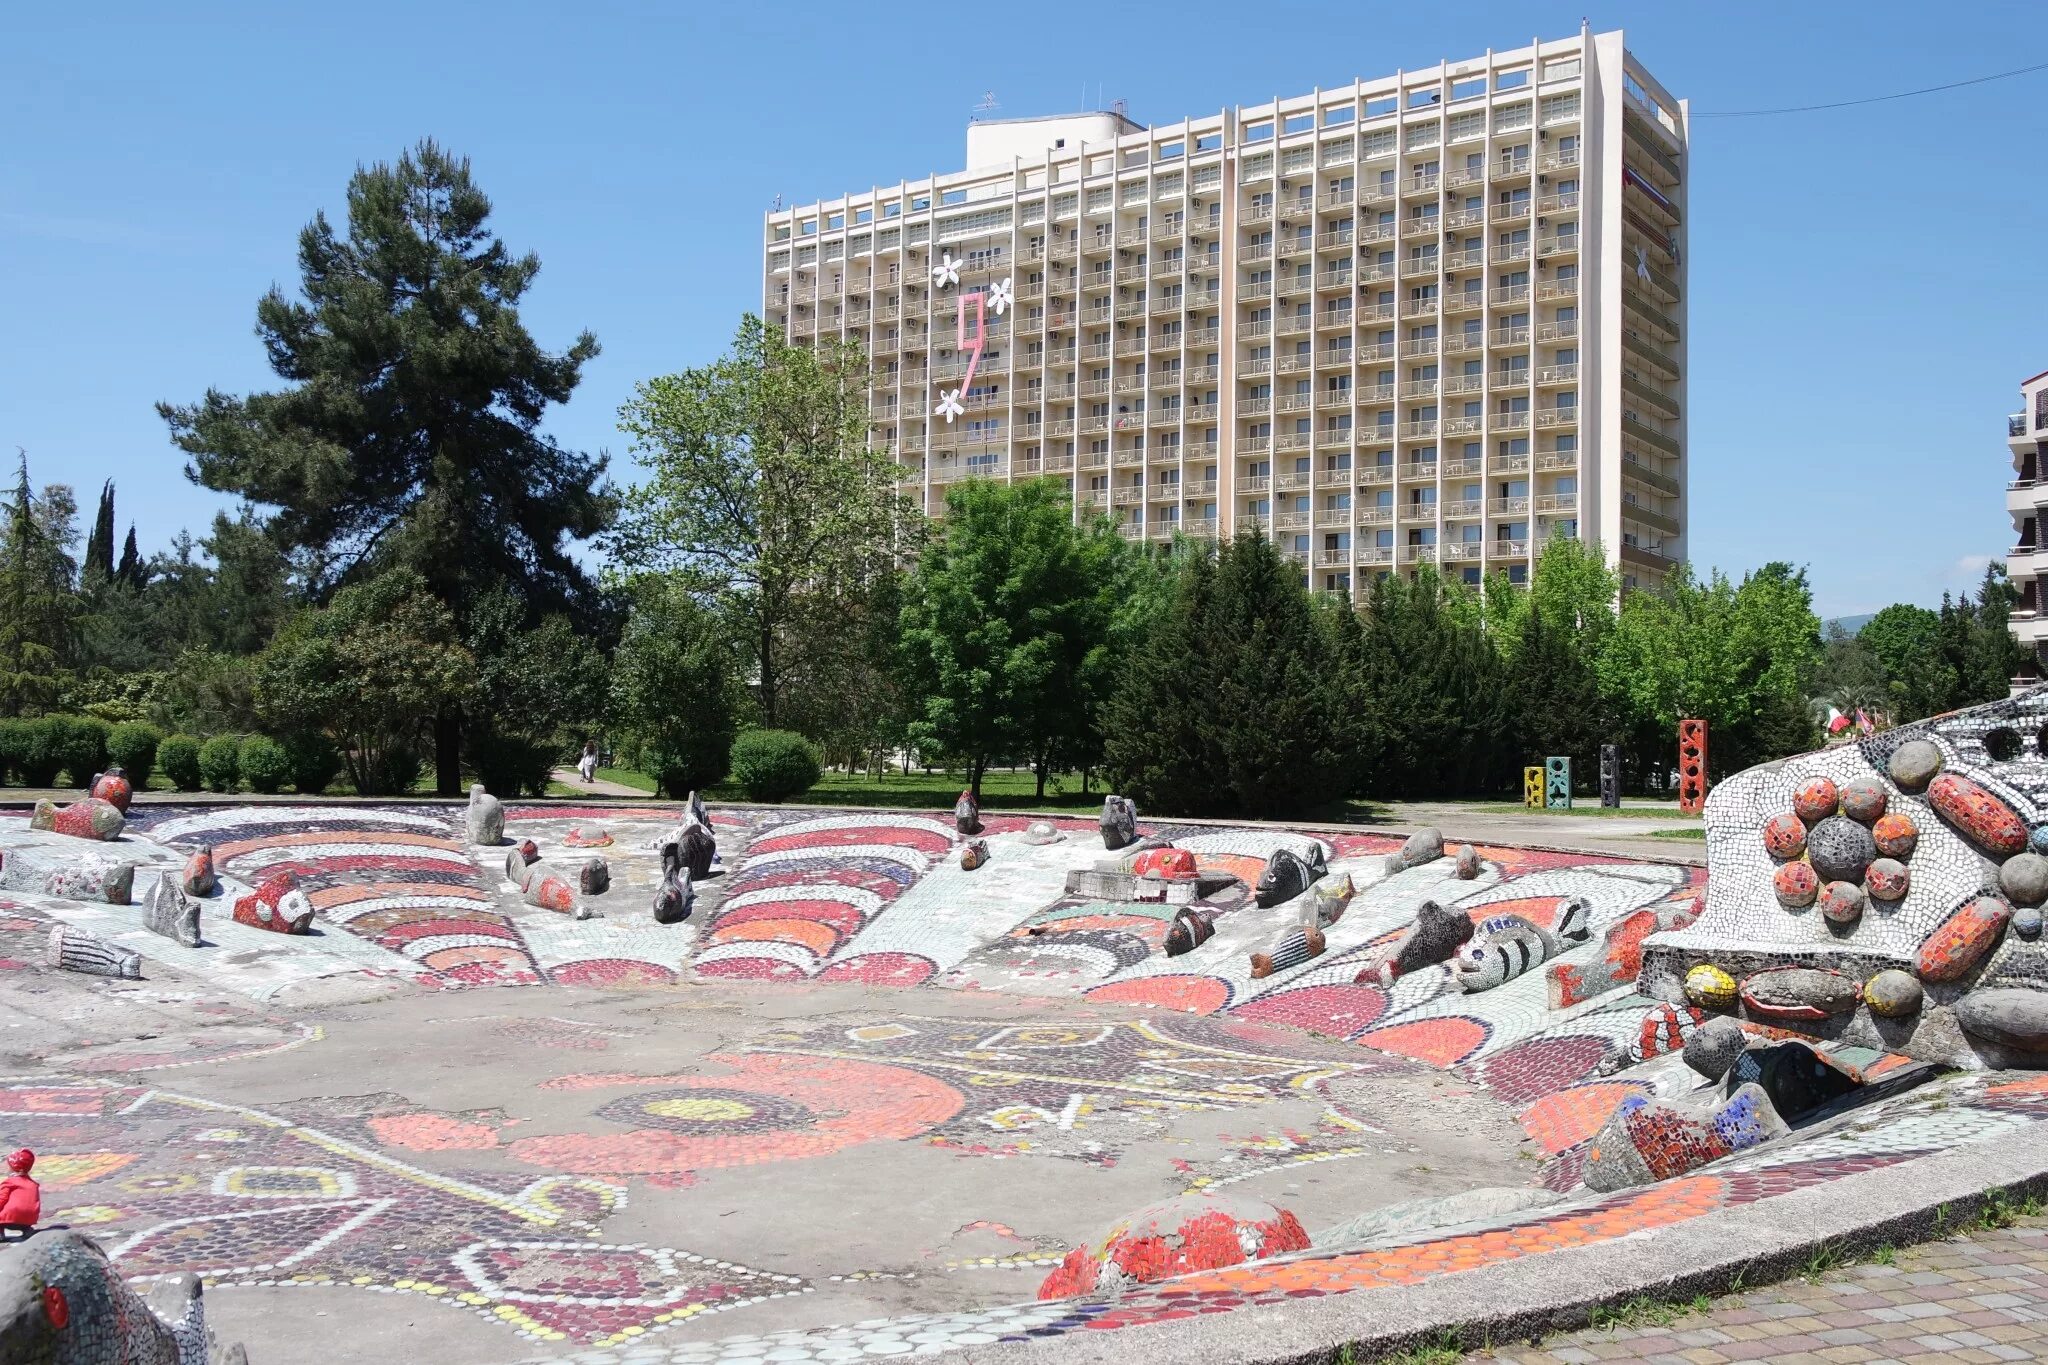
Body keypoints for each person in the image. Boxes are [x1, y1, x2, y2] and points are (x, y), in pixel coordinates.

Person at [0, 1148, 39, 1239]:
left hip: (8, 1220)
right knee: (23, 1213)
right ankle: (27, 1231)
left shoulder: (9, 1182)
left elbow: (1, 1198)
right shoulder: (33, 1184)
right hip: (29, 1220)